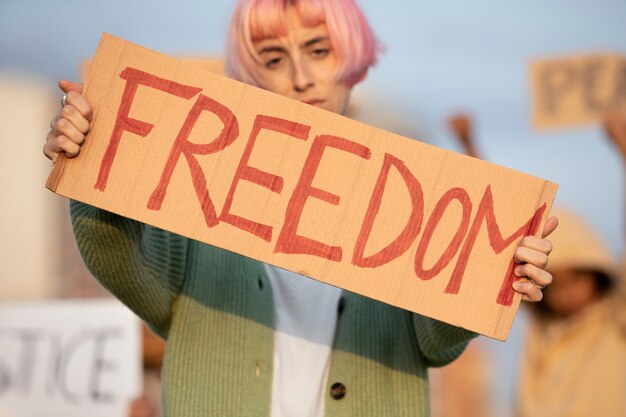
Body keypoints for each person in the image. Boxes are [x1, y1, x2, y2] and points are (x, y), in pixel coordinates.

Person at [43, 1, 557, 416]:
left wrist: (491, 274)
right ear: (250, 76)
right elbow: (122, 262)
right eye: (272, 58)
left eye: (319, 49)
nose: (300, 77)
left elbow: (436, 340)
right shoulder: (194, 206)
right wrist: (91, 159)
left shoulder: (410, 207)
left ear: (352, 60)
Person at [515, 111, 626, 417]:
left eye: (575, 279)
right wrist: (468, 143)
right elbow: (499, 240)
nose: (567, 293)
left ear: (596, 272)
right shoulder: (542, 328)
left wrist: (624, 151)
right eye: (555, 284)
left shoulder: (615, 320)